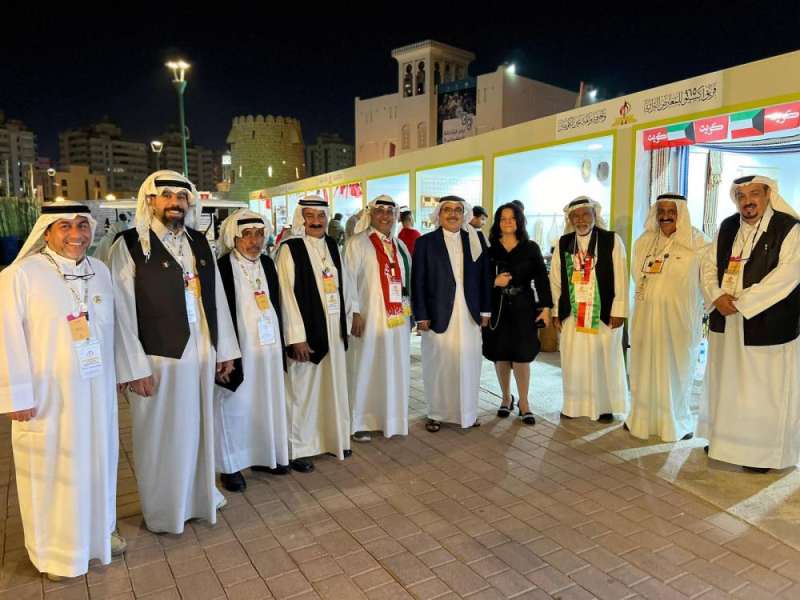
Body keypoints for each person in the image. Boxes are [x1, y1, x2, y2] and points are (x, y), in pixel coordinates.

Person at [110, 170, 240, 533]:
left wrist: (225, 349)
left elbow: (217, 299)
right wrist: (133, 367)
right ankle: (165, 511)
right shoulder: (129, 244)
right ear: (150, 200)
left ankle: (200, 497)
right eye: (166, 195)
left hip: (201, 353)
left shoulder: (198, 242)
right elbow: (120, 312)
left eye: (181, 197)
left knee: (199, 430)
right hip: (158, 359)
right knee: (162, 436)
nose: (175, 203)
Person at [0, 202, 124, 580]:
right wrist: (16, 396)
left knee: (99, 462)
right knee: (55, 471)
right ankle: (57, 554)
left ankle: (98, 535)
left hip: (97, 392)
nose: (76, 234)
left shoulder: (100, 271)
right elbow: (6, 337)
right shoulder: (21, 274)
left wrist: (124, 374)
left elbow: (114, 330)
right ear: (47, 231)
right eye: (65, 226)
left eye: (82, 225)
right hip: (48, 398)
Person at [700, 175, 800, 473]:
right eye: (741, 196)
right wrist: (716, 296)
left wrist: (743, 302)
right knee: (726, 384)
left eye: (754, 194)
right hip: (727, 319)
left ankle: (761, 455)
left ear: (768, 194)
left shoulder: (789, 228)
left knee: (761, 391)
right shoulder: (728, 226)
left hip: (767, 323)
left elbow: (788, 274)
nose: (748, 201)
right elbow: (708, 265)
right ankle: (725, 443)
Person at [276, 196, 354, 471]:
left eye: (321, 216)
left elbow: (345, 284)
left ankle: (333, 439)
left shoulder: (332, 245)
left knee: (333, 386)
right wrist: (296, 337)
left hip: (333, 330)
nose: (316, 221)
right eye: (310, 216)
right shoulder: (290, 249)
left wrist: (349, 319)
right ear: (301, 218)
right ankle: (299, 449)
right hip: (307, 334)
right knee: (303, 392)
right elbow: (285, 295)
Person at [214, 209, 290, 492]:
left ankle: (264, 457)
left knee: (266, 402)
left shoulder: (267, 263)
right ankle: (231, 467)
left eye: (259, 234)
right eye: (247, 234)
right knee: (235, 408)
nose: (254, 241)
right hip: (239, 351)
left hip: (268, 350)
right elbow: (217, 313)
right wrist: (224, 353)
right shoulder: (222, 267)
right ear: (233, 237)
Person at [627, 193, 707, 441]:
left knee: (676, 369)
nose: (665, 216)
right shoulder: (644, 242)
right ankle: (641, 419)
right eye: (661, 211)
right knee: (642, 367)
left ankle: (677, 421)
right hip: (645, 318)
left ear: (681, 213)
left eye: (671, 211)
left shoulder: (699, 242)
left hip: (679, 321)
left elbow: (707, 281)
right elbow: (636, 275)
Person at [411, 195, 492, 432]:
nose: (453, 214)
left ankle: (468, 413)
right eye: (447, 209)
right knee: (439, 364)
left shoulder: (476, 239)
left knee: (469, 363)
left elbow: (485, 277)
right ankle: (436, 413)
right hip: (437, 314)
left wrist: (486, 310)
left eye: (458, 209)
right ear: (439, 214)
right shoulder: (425, 242)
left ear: (464, 214)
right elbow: (418, 281)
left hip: (469, 313)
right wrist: (421, 315)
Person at [550, 196, 628, 423]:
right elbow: (555, 280)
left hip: (603, 313)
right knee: (574, 360)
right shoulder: (564, 243)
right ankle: (573, 406)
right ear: (570, 219)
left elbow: (621, 277)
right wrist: (556, 312)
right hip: (572, 313)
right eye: (575, 216)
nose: (581, 219)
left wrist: (619, 310)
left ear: (595, 215)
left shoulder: (611, 240)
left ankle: (605, 407)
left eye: (585, 214)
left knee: (603, 359)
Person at [345, 195, 412, 442]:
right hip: (369, 317)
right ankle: (360, 422)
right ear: (371, 214)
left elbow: (406, 284)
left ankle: (391, 419)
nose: (385, 216)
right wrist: (354, 312)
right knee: (366, 365)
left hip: (397, 320)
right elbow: (348, 280)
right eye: (379, 211)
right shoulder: (357, 243)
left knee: (394, 366)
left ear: (396, 216)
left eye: (389, 212)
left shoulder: (400, 246)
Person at [482, 202, 552, 425]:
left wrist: (546, 308)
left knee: (522, 356)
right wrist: (494, 281)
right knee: (501, 355)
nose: (508, 222)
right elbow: (479, 278)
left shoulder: (530, 248)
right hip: (498, 308)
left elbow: (542, 279)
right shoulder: (490, 249)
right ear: (498, 222)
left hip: (524, 307)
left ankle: (524, 402)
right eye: (503, 218)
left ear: (519, 221)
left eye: (512, 218)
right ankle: (505, 398)